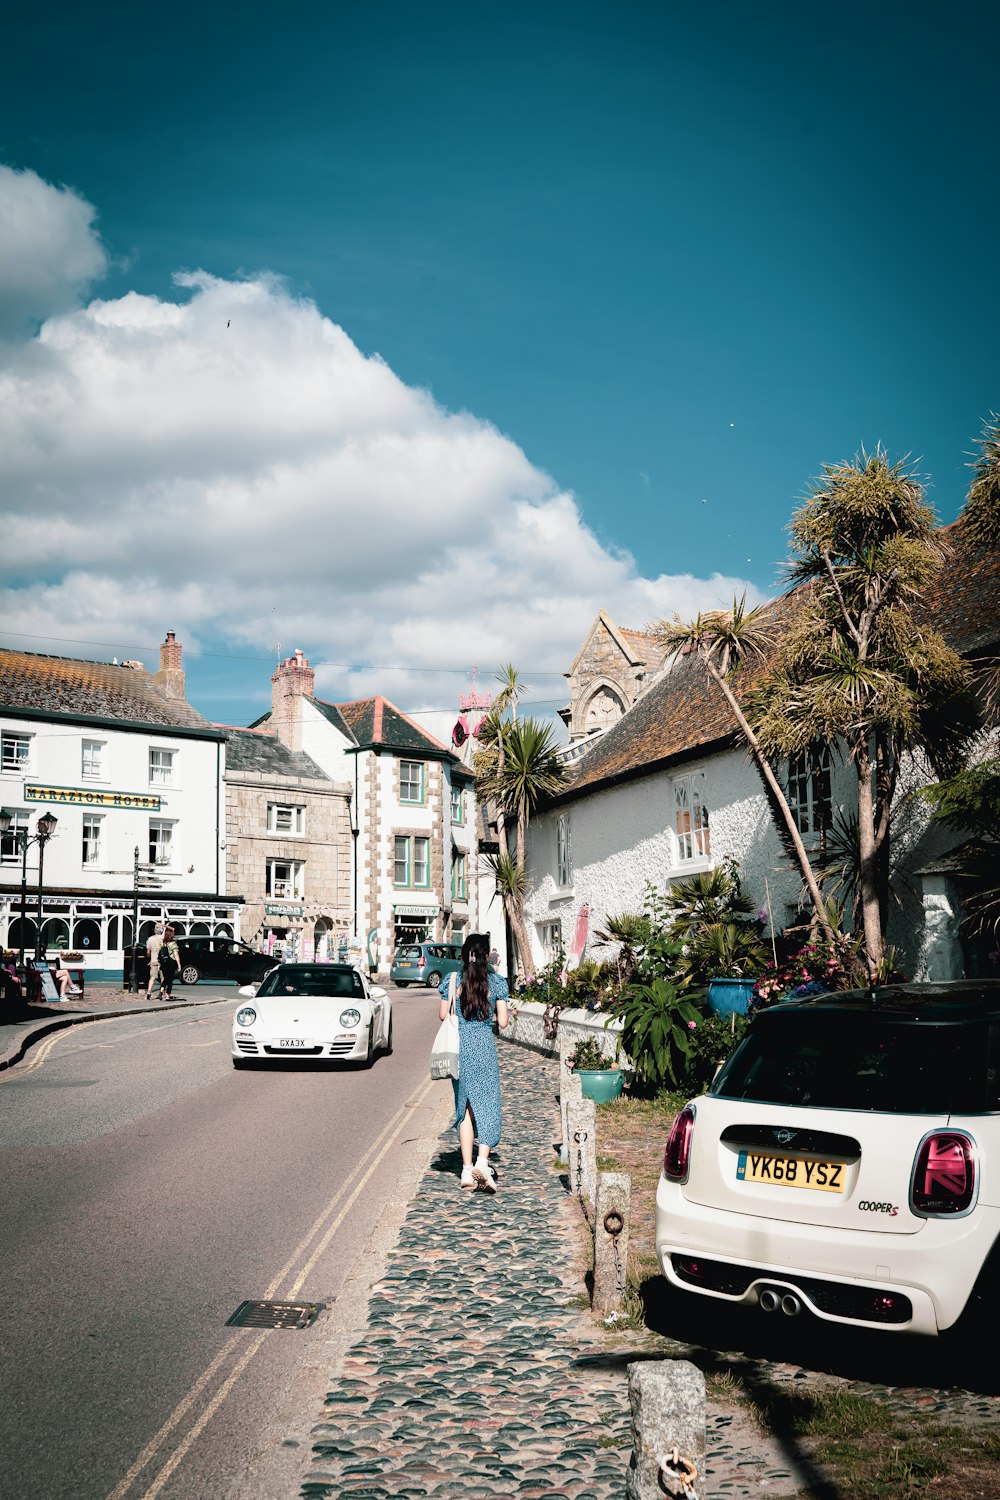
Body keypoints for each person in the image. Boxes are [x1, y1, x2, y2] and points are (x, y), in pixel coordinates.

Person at [438, 931, 509, 1192]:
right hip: (484, 1051)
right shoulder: (496, 983)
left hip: (460, 1051)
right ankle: (482, 1160)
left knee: (464, 1109)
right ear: (485, 955)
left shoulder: (453, 980)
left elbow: (442, 1014)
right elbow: (502, 1022)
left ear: (464, 954)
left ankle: (466, 1170)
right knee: (488, 1106)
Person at [158, 925, 180, 999]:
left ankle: (161, 991)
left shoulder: (163, 943)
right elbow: (176, 955)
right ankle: (168, 994)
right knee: (170, 979)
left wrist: (164, 926)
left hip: (163, 963)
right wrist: (179, 965)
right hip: (171, 963)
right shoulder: (173, 944)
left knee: (165, 978)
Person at [146, 923, 165, 998]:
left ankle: (149, 992)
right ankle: (161, 992)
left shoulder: (150, 939)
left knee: (152, 977)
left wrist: (149, 958)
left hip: (153, 960)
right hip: (162, 961)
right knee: (163, 977)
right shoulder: (164, 938)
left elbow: (148, 952)